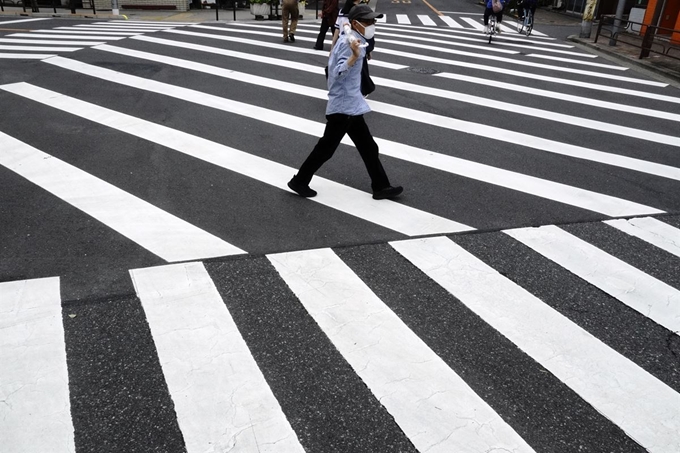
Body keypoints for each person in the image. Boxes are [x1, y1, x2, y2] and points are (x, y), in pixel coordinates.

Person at [287, 4, 403, 201]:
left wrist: (360, 52)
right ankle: (299, 181)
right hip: (343, 108)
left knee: (368, 147)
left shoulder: (354, 39)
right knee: (326, 149)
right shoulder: (348, 45)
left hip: (352, 106)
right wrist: (354, 57)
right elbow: (336, 73)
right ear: (357, 23)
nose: (373, 24)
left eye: (373, 21)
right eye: (368, 21)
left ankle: (381, 186)